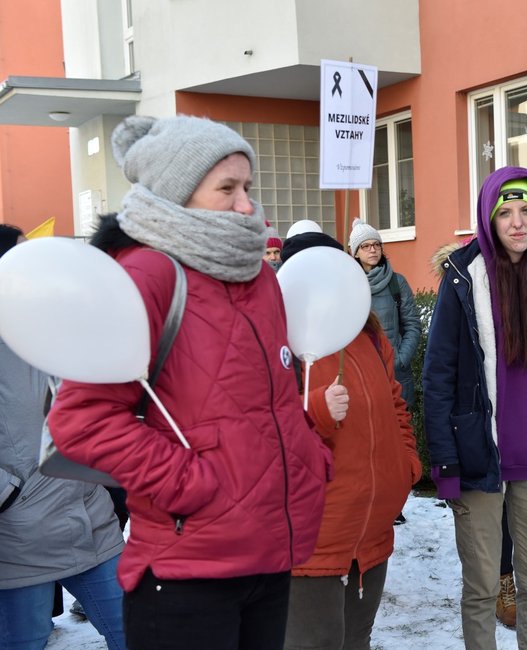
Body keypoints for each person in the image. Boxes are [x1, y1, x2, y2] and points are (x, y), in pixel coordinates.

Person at [47, 115, 332, 650]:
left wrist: (308, 456)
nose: (247, 204)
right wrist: (194, 485)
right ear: (178, 195)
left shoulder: (261, 279)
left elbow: (271, 398)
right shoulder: (145, 276)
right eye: (227, 188)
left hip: (268, 554)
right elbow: (80, 421)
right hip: (184, 573)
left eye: (248, 187)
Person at [423, 166, 527, 650]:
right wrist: (445, 461)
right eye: (506, 212)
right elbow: (437, 375)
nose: (518, 222)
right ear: (488, 218)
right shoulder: (463, 276)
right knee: (481, 588)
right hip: (481, 457)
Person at [280, 233, 421, 650]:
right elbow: (267, 439)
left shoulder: (370, 335)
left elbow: (396, 405)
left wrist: (406, 467)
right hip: (312, 547)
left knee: (355, 641)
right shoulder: (279, 344)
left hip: (372, 538)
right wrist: (319, 413)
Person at [0, 225, 127, 650]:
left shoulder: (58, 326)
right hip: (21, 536)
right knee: (26, 642)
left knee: (136, 633)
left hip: (93, 521)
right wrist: (9, 495)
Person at [348, 218, 422, 410]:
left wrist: (400, 360)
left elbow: (412, 325)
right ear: (355, 252)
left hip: (396, 374)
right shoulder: (349, 284)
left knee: (401, 431)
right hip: (362, 373)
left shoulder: (396, 282)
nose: (372, 250)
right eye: (365, 246)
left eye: (376, 244)